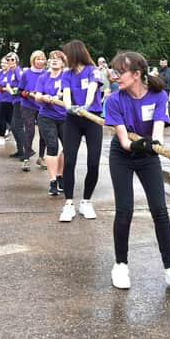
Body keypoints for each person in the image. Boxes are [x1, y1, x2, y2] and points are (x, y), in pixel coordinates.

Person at [104, 51, 170, 293]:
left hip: (148, 156)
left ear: (136, 74)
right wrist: (137, 144)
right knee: (125, 210)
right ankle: (121, 264)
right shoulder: (114, 100)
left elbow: (159, 131)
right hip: (123, 155)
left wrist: (155, 144)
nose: (115, 76)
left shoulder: (158, 95)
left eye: (119, 72)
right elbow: (123, 141)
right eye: (114, 71)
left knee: (159, 210)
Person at [59, 39, 104, 222]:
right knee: (69, 161)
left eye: (66, 54)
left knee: (93, 161)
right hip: (73, 120)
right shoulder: (67, 74)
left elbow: (93, 89)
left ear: (75, 54)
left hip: (92, 118)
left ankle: (86, 201)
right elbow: (67, 94)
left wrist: (85, 105)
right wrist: (70, 107)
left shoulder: (93, 70)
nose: (64, 58)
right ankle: (69, 203)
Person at [35, 50, 67, 195]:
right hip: (46, 116)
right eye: (52, 59)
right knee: (52, 145)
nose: (54, 61)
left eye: (58, 59)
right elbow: (37, 96)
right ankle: (53, 180)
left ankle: (60, 175)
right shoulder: (43, 77)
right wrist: (44, 97)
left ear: (63, 62)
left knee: (68, 147)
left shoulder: (67, 77)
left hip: (65, 117)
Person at [17, 50, 47, 170]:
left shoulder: (47, 74)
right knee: (29, 131)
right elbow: (19, 91)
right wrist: (27, 94)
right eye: (37, 59)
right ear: (32, 60)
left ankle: (41, 157)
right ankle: (26, 158)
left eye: (42, 59)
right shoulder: (26, 73)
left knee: (43, 132)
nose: (40, 61)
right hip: (27, 105)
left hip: (42, 106)